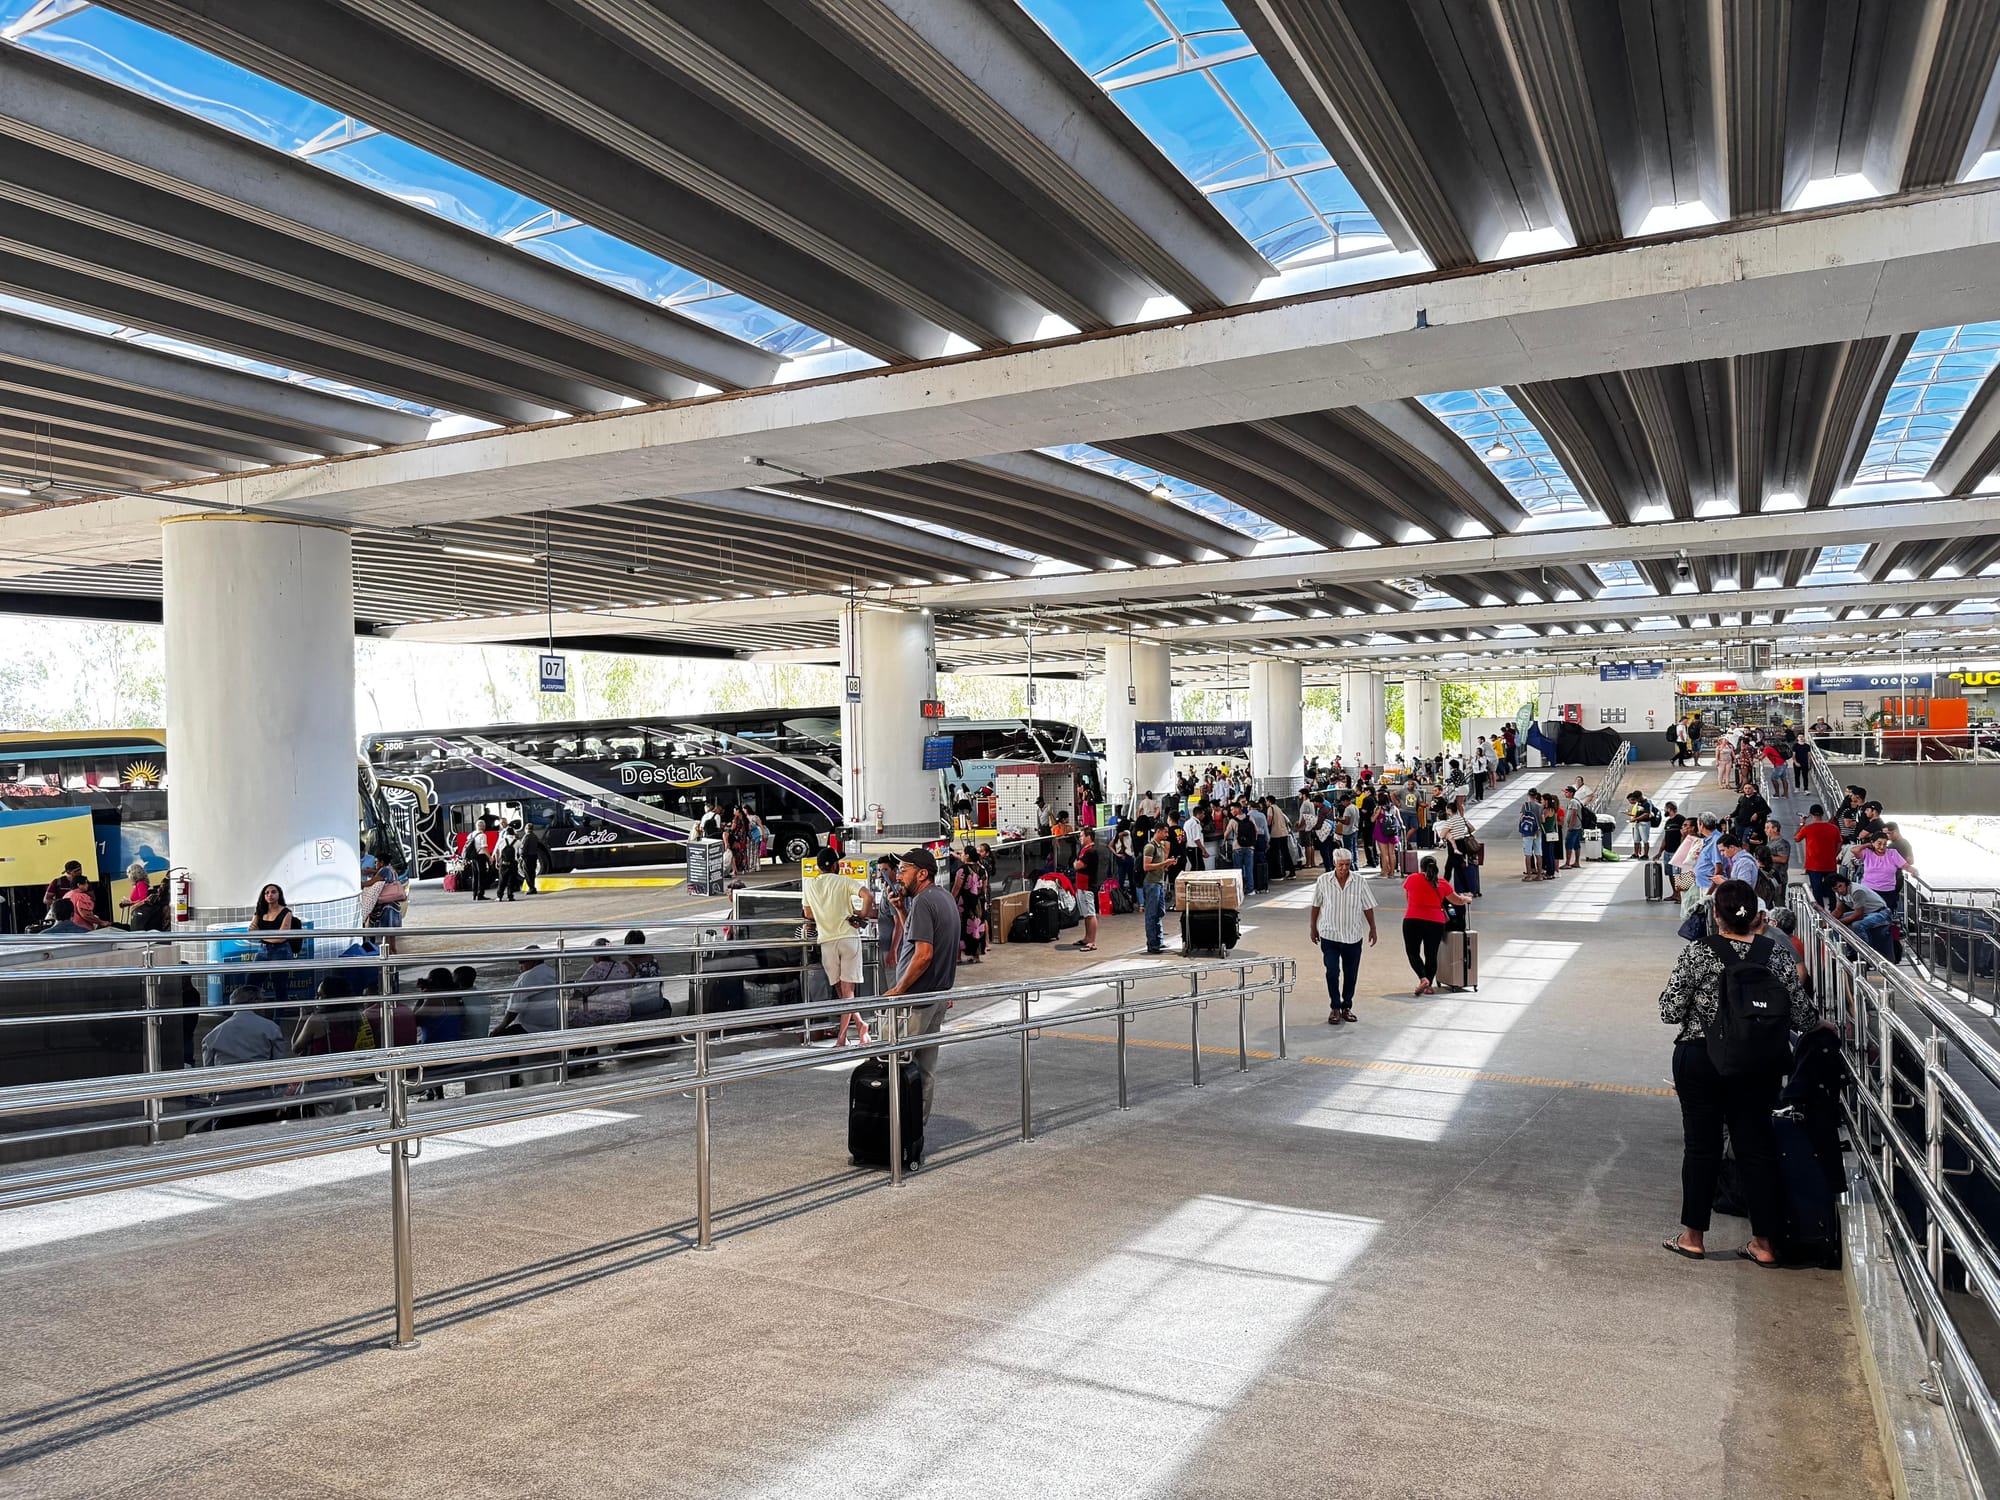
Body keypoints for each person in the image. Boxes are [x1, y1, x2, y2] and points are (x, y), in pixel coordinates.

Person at [1659, 879, 1817, 1264]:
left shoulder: (1699, 953)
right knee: (1756, 1148)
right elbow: (1802, 1016)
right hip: (1757, 1064)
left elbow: (1669, 1011)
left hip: (1701, 1058)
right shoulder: (1775, 955)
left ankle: (1693, 1237)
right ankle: (1764, 1244)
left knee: (1701, 1146)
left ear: (1716, 915)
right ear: (1758, 916)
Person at [878, 848, 960, 1130]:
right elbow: (915, 941)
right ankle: (914, 1132)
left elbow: (923, 955)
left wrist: (899, 989)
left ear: (922, 874)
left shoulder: (924, 903)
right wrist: (901, 911)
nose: (898, 876)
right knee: (925, 1071)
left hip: (915, 1002)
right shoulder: (942, 898)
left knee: (893, 1065)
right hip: (936, 998)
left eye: (903, 870)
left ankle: (893, 1131)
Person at [804, 849, 878, 1044]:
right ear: (835, 865)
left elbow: (808, 913)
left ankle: (844, 1036)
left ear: (819, 866)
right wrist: (860, 915)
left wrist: (824, 913)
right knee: (848, 991)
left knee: (842, 991)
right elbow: (868, 896)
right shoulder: (844, 881)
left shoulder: (810, 885)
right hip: (848, 937)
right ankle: (857, 1027)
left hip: (827, 940)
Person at [1309, 848, 1378, 1023]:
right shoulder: (1323, 881)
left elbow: (1367, 906)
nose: (1344, 868)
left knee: (1351, 973)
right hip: (1329, 935)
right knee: (1332, 971)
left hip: (1352, 937)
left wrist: (1373, 928)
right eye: (1341, 865)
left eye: (1347, 865)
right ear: (1334, 863)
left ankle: (1347, 1006)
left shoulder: (1360, 882)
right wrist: (1313, 927)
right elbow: (1316, 905)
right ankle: (1335, 1007)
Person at [201, 984, 293, 1108]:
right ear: (254, 1001)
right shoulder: (271, 1028)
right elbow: (280, 1067)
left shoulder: (213, 1035)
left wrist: (213, 1100)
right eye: (263, 1000)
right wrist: (278, 1098)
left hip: (225, 1098)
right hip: (260, 1096)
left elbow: (209, 1075)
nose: (265, 1006)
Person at [1401, 855, 1469, 996]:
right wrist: (1467, 898)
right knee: (1431, 954)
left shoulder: (1411, 879)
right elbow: (1457, 901)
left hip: (1413, 919)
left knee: (1413, 952)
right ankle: (1428, 986)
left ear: (1421, 867)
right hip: (1435, 922)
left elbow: (1408, 899)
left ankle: (1423, 978)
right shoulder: (1442, 883)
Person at [497, 947, 563, 1033]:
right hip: (554, 1025)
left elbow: (514, 1009)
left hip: (530, 1028)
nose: (520, 966)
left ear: (534, 961)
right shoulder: (553, 973)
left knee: (495, 1038)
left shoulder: (527, 977)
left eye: (522, 961)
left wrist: (499, 1028)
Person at [1069, 827, 1110, 953]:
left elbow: (1077, 865)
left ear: (1088, 836)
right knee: (1086, 915)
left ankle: (1092, 941)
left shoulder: (1091, 852)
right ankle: (1087, 938)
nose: (1080, 838)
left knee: (1091, 914)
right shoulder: (1084, 850)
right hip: (1081, 886)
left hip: (1088, 887)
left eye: (1082, 836)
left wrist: (1076, 864)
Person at [1832, 875, 1896, 957]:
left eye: (1840, 886)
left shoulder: (1857, 891)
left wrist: (1838, 922)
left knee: (1858, 925)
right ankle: (1847, 951)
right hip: (1868, 913)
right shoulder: (1839, 893)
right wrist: (1828, 921)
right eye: (1835, 889)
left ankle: (1866, 954)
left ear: (1845, 883)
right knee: (1836, 922)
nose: (1839, 890)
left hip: (1882, 913)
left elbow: (1859, 915)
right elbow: (1838, 910)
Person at [1794, 804, 1841, 907]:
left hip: (1813, 865)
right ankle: (1833, 910)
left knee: (1817, 889)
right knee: (1832, 889)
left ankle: (1820, 913)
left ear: (1810, 815)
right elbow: (1839, 845)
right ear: (1823, 814)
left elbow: (1796, 838)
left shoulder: (1807, 828)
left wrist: (1802, 822)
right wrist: (1833, 855)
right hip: (1830, 864)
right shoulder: (1834, 828)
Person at [1855, 831, 1910, 915]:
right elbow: (1854, 850)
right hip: (1869, 890)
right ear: (1872, 843)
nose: (1882, 847)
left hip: (1888, 891)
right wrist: (1867, 845)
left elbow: (1906, 866)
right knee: (1868, 916)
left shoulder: (1892, 853)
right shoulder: (1867, 852)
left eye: (1885, 844)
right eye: (1879, 843)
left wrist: (1913, 871)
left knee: (1886, 916)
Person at [1139, 823, 1172, 955]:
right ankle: (1152, 944)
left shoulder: (1161, 846)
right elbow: (1146, 867)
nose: (1167, 835)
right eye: (1165, 832)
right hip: (1151, 884)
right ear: (1158, 832)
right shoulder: (1150, 847)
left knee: (1160, 912)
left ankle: (1159, 940)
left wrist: (1167, 864)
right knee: (1151, 915)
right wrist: (1164, 863)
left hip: (1159, 883)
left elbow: (1159, 866)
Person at [957, 843, 988, 967]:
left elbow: (956, 888)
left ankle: (958, 957)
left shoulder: (962, 870)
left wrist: (951, 899)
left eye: (963, 854)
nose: (962, 856)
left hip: (965, 903)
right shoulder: (982, 869)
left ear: (968, 856)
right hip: (979, 903)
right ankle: (976, 955)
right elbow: (985, 888)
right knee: (977, 928)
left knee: (962, 928)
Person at [518, 820, 548, 893]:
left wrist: (521, 856)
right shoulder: (535, 836)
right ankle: (533, 887)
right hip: (534, 856)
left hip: (527, 857)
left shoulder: (526, 837)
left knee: (527, 873)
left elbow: (523, 847)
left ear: (526, 829)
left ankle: (531, 888)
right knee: (532, 873)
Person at [1626, 790, 1655, 860]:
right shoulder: (1639, 802)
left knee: (1645, 840)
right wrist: (1633, 816)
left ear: (1640, 797)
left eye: (1636, 799)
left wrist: (1636, 819)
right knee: (1636, 839)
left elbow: (1646, 814)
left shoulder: (1646, 803)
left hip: (1644, 823)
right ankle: (1636, 854)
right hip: (1637, 822)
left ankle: (1645, 854)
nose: (1635, 801)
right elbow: (1639, 812)